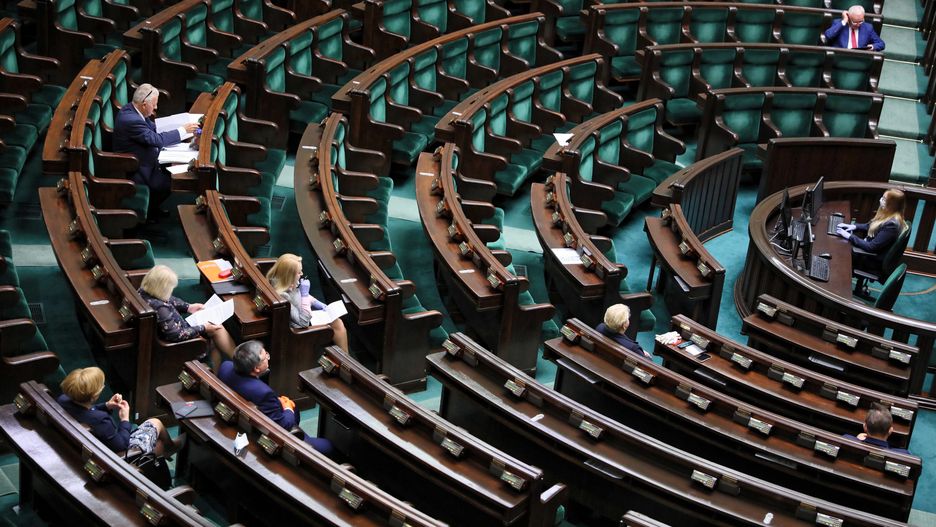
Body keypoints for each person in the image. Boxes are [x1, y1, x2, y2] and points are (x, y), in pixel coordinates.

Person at [217, 340, 333, 454]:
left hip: (239, 417)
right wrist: (287, 407)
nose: (268, 357)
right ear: (256, 369)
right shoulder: (263, 393)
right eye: (265, 356)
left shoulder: (225, 366)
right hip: (266, 436)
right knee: (328, 446)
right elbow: (283, 427)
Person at [113, 84, 200, 220]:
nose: (156, 108)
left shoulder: (133, 110)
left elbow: (153, 128)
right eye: (154, 104)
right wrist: (183, 131)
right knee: (169, 182)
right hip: (135, 168)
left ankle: (152, 209)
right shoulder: (131, 120)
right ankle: (149, 214)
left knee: (173, 169)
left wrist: (178, 126)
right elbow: (156, 139)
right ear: (143, 104)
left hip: (145, 157)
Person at [57, 366, 181, 456]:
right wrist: (125, 420)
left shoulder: (63, 400)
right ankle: (170, 448)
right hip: (119, 457)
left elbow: (85, 412)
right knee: (155, 422)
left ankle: (168, 448)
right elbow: (122, 446)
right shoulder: (101, 420)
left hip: (80, 447)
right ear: (94, 395)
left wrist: (107, 406)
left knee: (158, 441)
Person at [138, 265, 236, 369]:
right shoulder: (160, 309)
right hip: (180, 345)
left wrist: (188, 307)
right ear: (161, 289)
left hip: (176, 329)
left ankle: (219, 372)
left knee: (214, 335)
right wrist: (203, 327)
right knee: (217, 329)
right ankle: (239, 360)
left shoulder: (144, 291)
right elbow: (176, 335)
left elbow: (169, 299)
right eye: (170, 289)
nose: (170, 292)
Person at [266, 253, 349, 351]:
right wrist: (305, 296)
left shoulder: (285, 280)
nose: (301, 274)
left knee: (337, 321)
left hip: (303, 313)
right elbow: (303, 323)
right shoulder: (283, 296)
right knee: (338, 324)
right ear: (289, 275)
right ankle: (346, 358)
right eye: (299, 272)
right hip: (298, 331)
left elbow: (299, 294)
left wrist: (315, 302)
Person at [835, 188, 907, 289]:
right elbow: (872, 225)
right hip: (869, 254)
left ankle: (836, 287)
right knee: (841, 243)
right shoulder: (890, 215)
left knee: (839, 249)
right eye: (882, 197)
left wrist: (849, 236)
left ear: (892, 204)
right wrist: (854, 226)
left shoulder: (892, 225)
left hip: (871, 261)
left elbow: (871, 247)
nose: (880, 200)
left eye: (884, 199)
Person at [843, 402, 910, 454]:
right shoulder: (904, 455)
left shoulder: (846, 439)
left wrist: (858, 440)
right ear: (890, 430)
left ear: (865, 427)